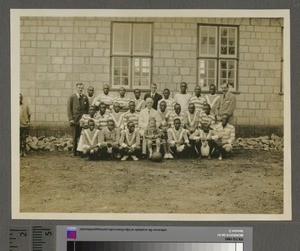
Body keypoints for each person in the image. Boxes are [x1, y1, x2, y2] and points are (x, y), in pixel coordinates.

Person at [67, 82, 89, 157]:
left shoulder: (85, 97)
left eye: (81, 88)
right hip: (75, 120)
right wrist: (71, 119)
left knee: (82, 135)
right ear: (76, 88)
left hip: (83, 120)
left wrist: (86, 119)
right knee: (75, 136)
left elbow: (87, 109)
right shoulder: (72, 97)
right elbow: (69, 109)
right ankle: (74, 151)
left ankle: (81, 151)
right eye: (79, 88)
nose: (80, 89)